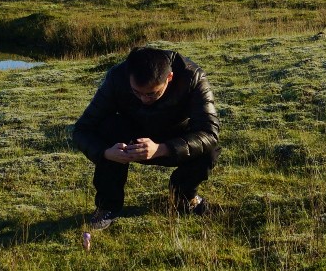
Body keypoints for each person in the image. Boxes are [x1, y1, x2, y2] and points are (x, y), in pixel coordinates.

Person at [70, 46, 220, 230]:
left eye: (151, 93)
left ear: (169, 78)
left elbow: (210, 132)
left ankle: (183, 195)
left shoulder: (193, 77)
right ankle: (107, 206)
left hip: (174, 138)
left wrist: (162, 148)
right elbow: (82, 129)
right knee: (108, 127)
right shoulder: (117, 77)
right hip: (130, 138)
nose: (144, 99)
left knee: (208, 149)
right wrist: (106, 153)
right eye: (136, 92)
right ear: (129, 78)